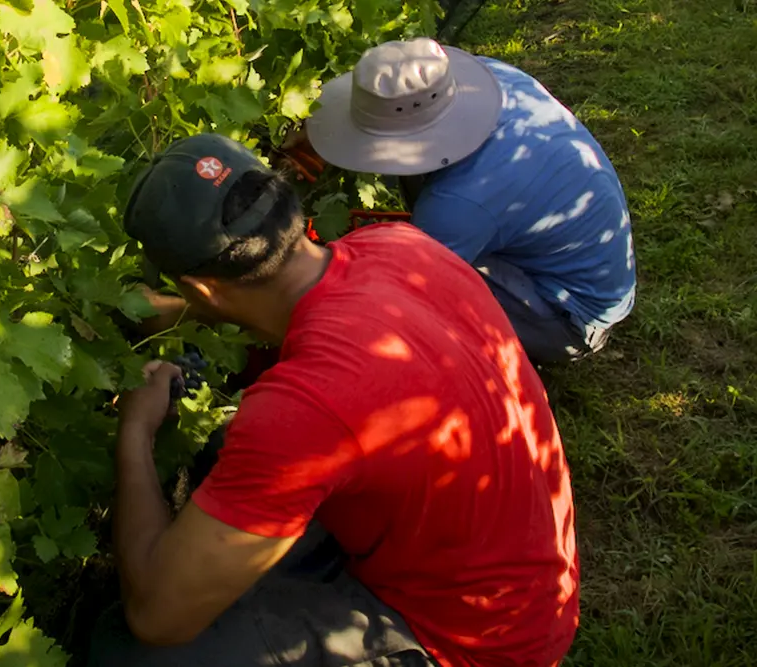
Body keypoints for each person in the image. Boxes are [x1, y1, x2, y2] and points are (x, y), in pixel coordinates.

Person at [88, 133, 580, 667]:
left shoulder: (303, 411)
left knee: (130, 649)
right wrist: (173, 311)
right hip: (519, 581)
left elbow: (157, 617)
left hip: (475, 646)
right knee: (234, 458)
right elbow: (272, 297)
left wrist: (135, 433)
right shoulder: (399, 246)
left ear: (200, 287)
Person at [294, 37, 636, 365]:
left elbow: (405, 292)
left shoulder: (460, 202)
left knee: (412, 295)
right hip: (592, 269)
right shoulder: (492, 79)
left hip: (570, 318)